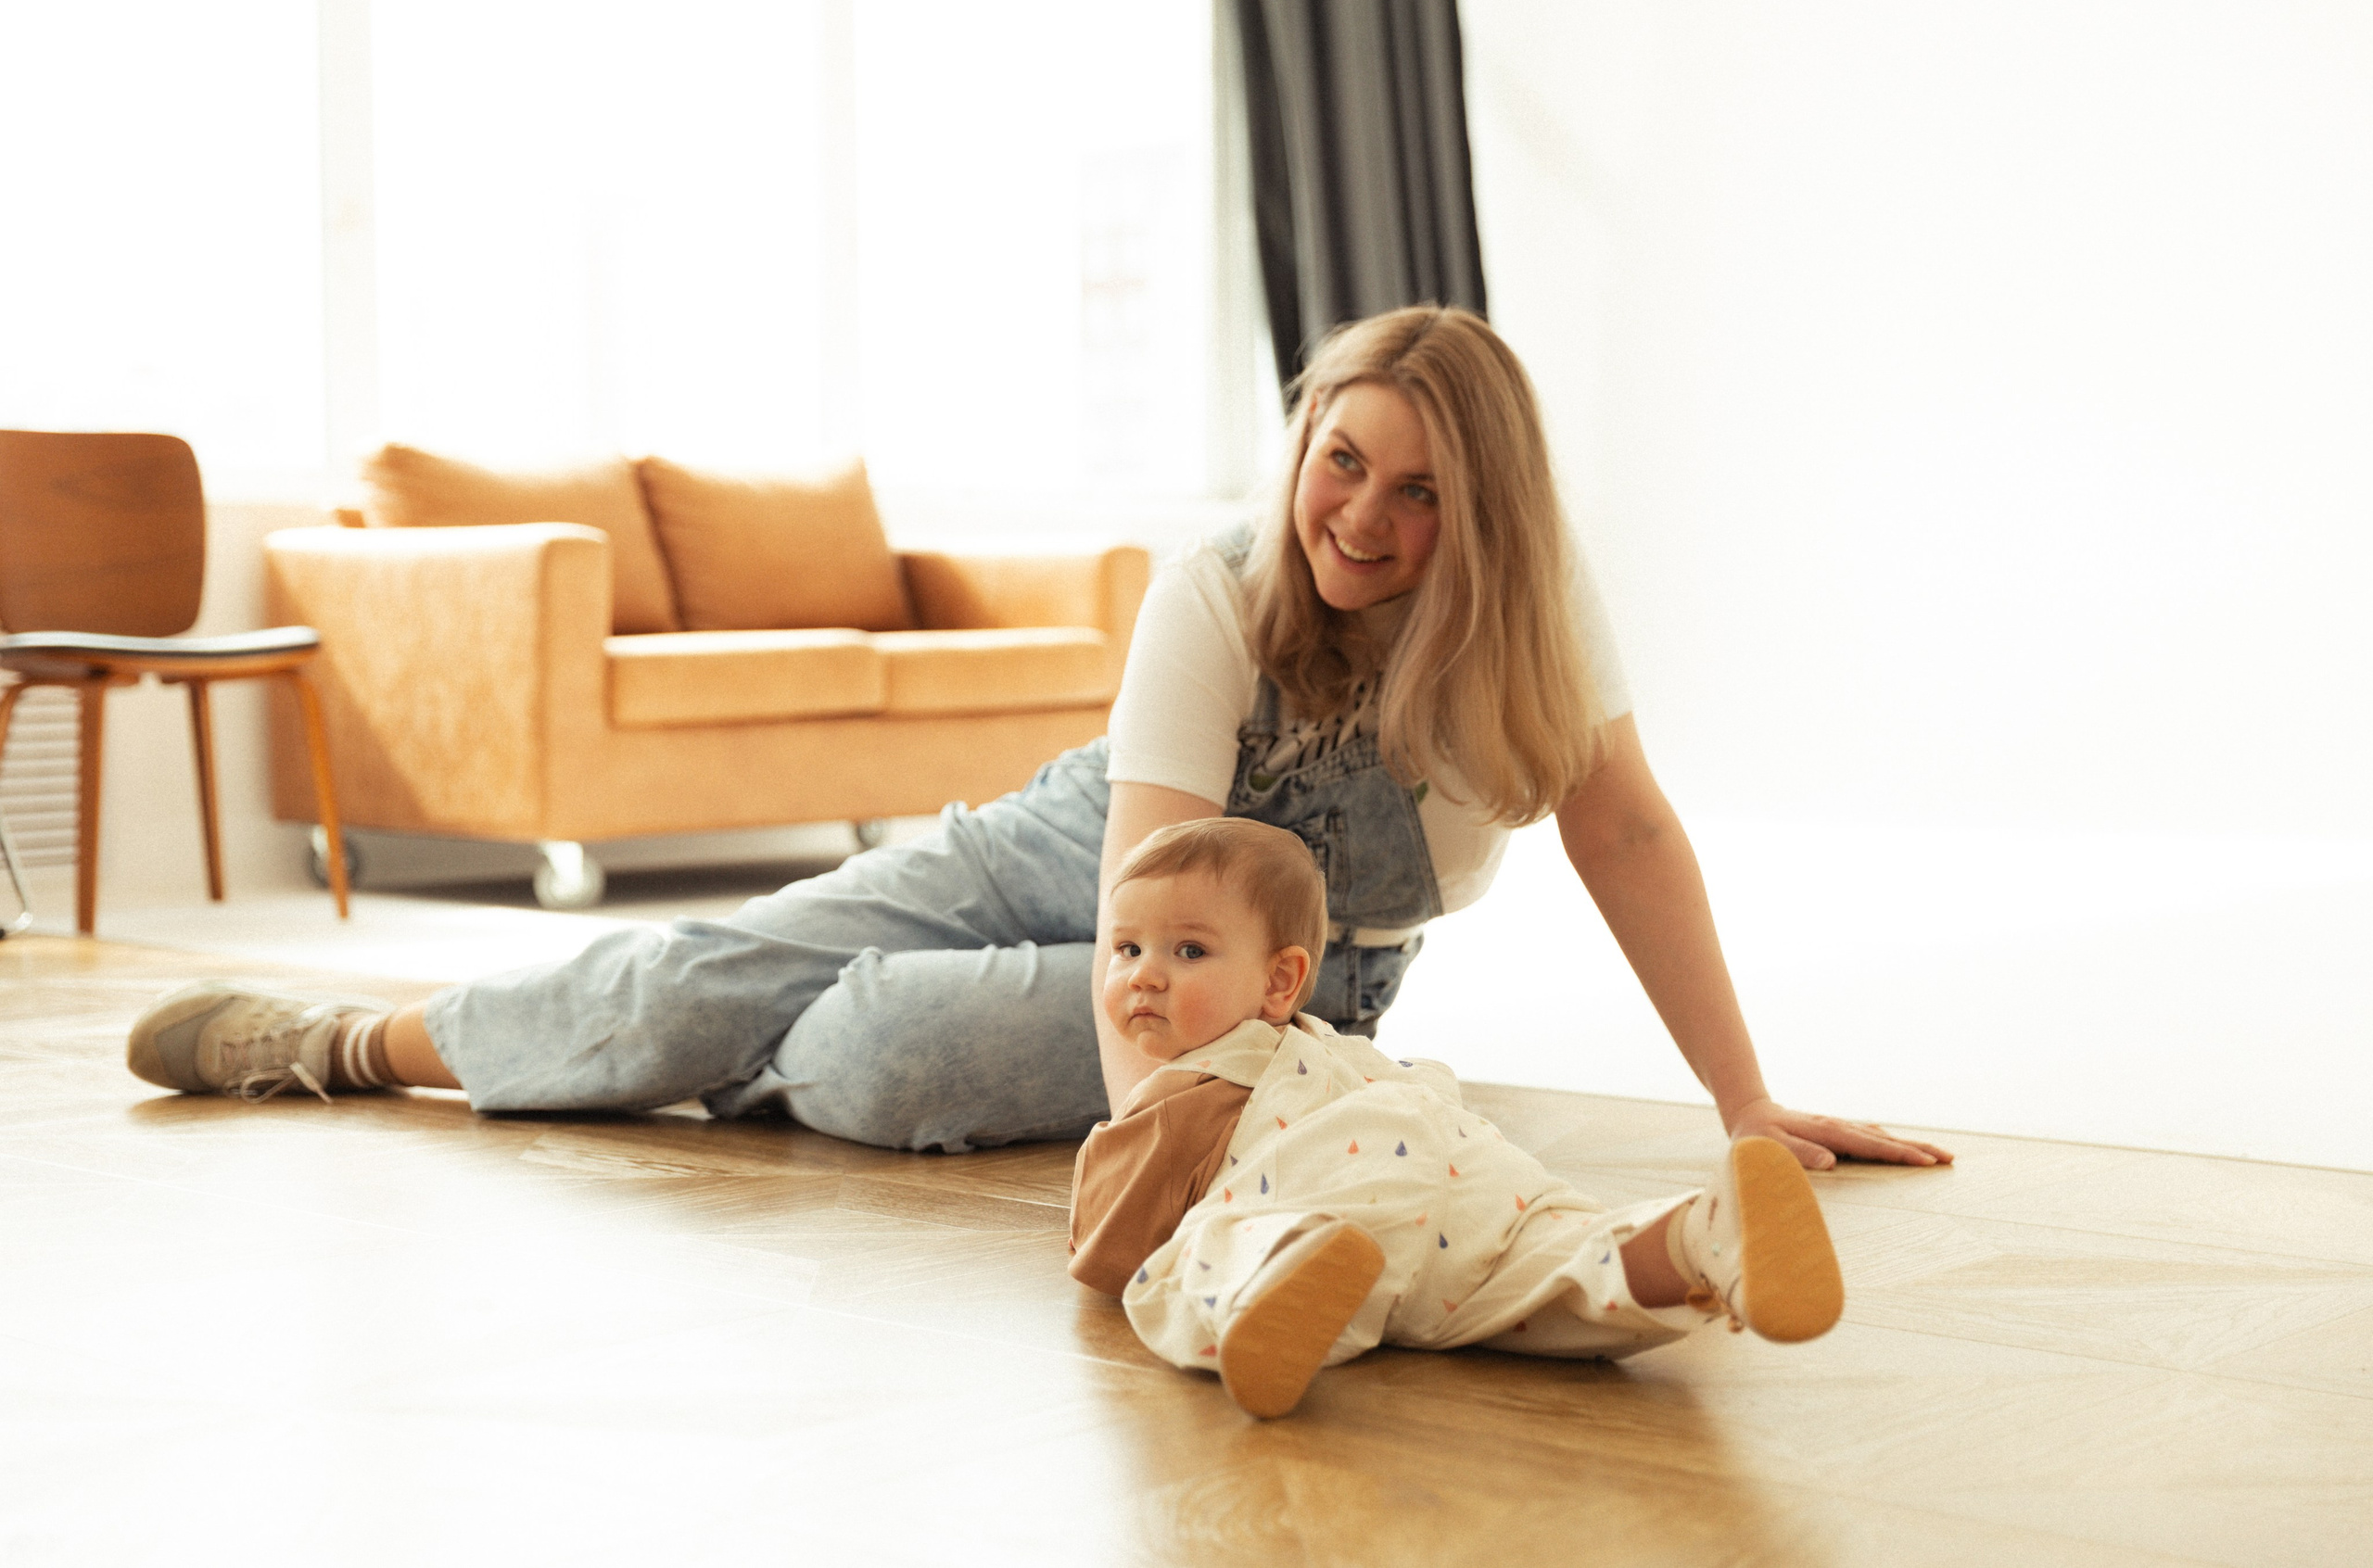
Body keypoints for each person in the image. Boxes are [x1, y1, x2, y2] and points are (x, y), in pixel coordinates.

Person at [124, 305, 1950, 1185]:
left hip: (1291, 981)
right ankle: (349, 1043)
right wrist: (1158, 1121)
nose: (1365, 516)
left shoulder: (1537, 636)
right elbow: (1140, 893)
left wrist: (1740, 1104)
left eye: (1418, 489)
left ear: (1482, 512)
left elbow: (1627, 837)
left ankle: (719, 1054)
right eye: (1341, 458)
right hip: (1076, 865)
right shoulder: (1215, 592)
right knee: (726, 957)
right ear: (1299, 436)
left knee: (880, 1043)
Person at [1072, 816, 1846, 1419]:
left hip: (1341, 1193)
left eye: (1188, 952)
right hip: (1457, 1159)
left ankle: (1273, 1276)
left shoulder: (1192, 1089)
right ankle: (1704, 1238)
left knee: (1194, 1254)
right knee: (1550, 1255)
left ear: (1281, 981)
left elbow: (1108, 1243)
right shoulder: (1330, 1052)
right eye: (1127, 948)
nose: (1145, 976)